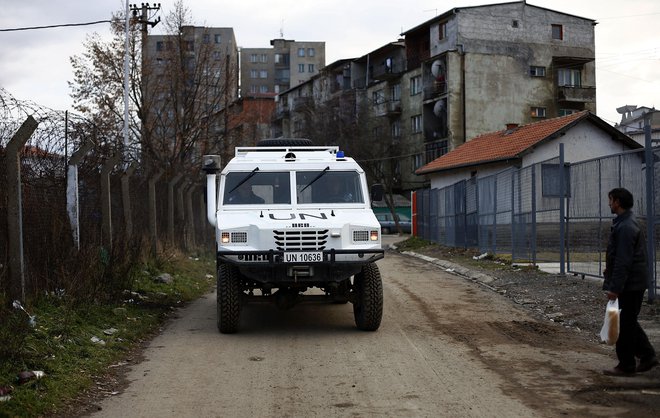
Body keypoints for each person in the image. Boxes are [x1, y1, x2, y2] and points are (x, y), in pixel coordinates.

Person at [602, 187, 657, 376]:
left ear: (617, 202)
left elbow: (624, 260)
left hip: (630, 284)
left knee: (624, 325)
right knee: (628, 321)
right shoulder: (625, 223)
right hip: (633, 281)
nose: (609, 204)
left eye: (610, 200)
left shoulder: (625, 226)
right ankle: (647, 355)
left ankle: (626, 365)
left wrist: (614, 288)